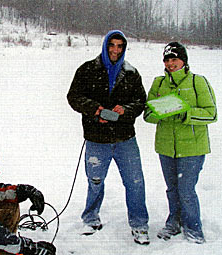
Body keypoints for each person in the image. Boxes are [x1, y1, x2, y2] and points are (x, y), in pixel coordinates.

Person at [67, 30, 149, 245]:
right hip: (96, 139)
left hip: (125, 139)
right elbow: (73, 97)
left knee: (135, 182)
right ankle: (91, 219)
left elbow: (141, 102)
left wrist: (125, 110)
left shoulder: (131, 73)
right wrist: (95, 110)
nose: (115, 49)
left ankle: (139, 224)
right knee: (95, 181)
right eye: (111, 45)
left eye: (119, 46)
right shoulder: (87, 70)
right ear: (105, 46)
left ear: (124, 48)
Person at [144, 42, 217, 244]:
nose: (170, 63)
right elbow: (148, 114)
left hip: (192, 148)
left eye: (174, 59)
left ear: (183, 61)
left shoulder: (197, 82)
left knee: (186, 190)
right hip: (166, 148)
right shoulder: (159, 83)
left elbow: (211, 113)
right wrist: (162, 111)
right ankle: (174, 222)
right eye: (167, 60)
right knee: (172, 189)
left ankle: (194, 229)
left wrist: (186, 113)